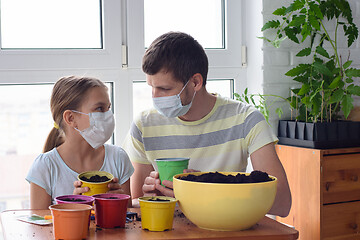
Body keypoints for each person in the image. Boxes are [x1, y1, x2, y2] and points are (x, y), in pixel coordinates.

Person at [122, 32, 291, 217]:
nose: (154, 96)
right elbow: (134, 204)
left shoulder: (246, 120)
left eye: (164, 88)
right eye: (151, 87)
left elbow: (282, 203)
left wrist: (207, 187)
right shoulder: (144, 125)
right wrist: (151, 197)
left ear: (195, 82)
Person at [26, 76, 134, 209]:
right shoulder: (45, 167)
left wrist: (119, 202)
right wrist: (73, 208)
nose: (108, 116)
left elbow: (129, 221)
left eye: (108, 108)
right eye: (100, 108)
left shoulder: (118, 158)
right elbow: (37, 226)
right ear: (70, 118)